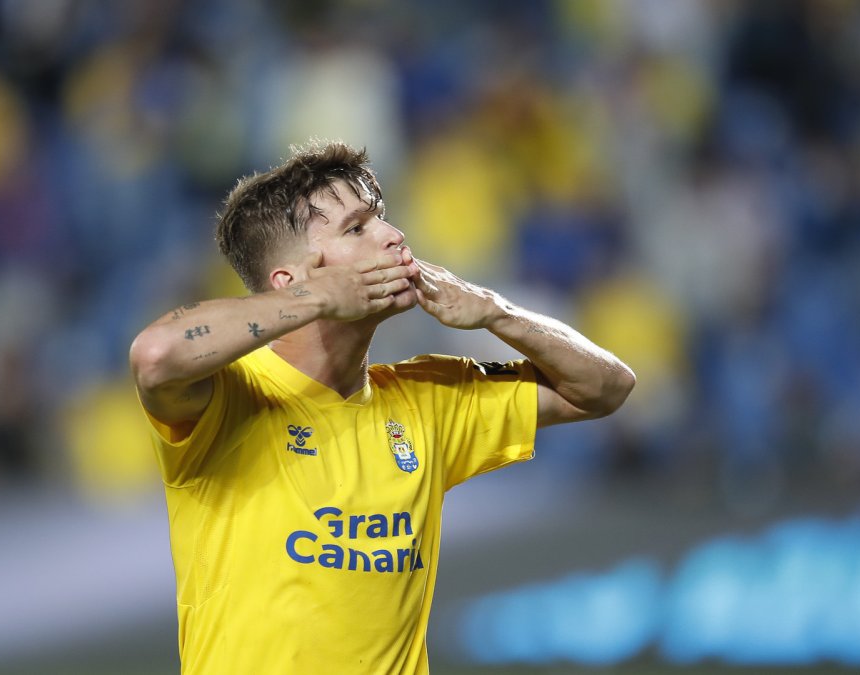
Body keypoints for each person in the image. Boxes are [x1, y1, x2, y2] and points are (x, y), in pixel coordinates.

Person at [129, 141, 635, 674]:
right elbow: (156, 355)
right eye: (357, 229)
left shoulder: (428, 398)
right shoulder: (228, 399)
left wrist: (497, 313)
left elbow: (605, 388)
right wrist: (317, 300)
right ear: (291, 280)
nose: (394, 237)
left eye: (383, 220)